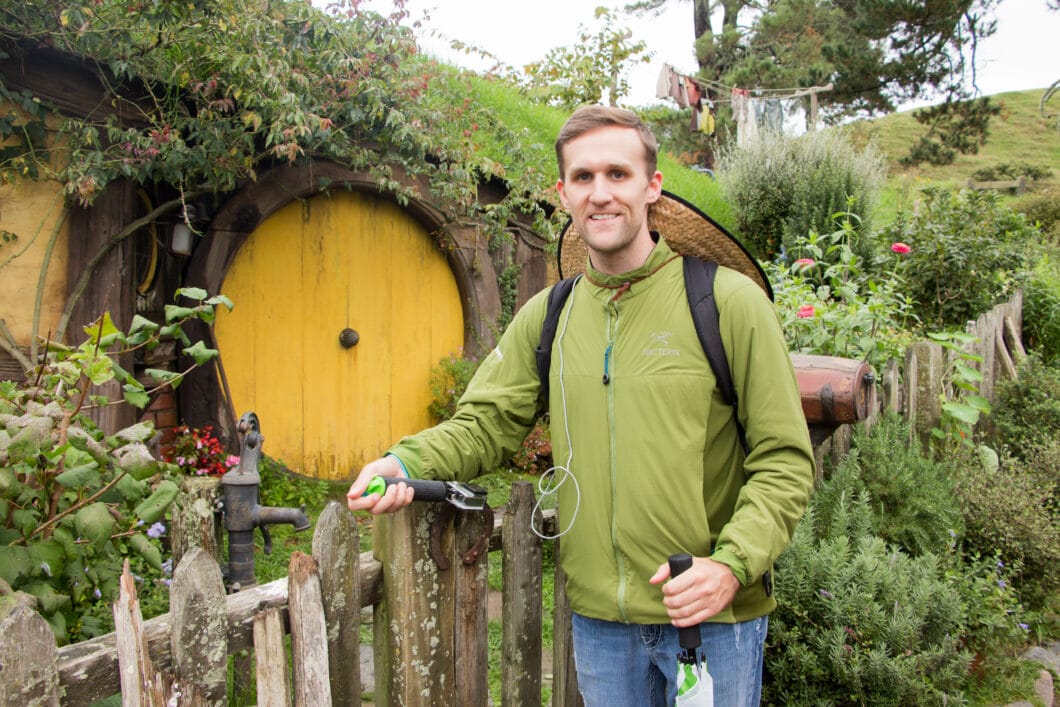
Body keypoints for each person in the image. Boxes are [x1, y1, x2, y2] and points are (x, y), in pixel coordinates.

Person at [347, 105, 814, 706]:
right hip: (599, 627)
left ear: (653, 187)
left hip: (710, 621)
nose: (601, 194)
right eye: (584, 177)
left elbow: (783, 460)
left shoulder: (727, 302)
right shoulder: (551, 313)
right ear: (562, 192)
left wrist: (729, 566)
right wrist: (404, 463)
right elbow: (485, 425)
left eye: (618, 174)